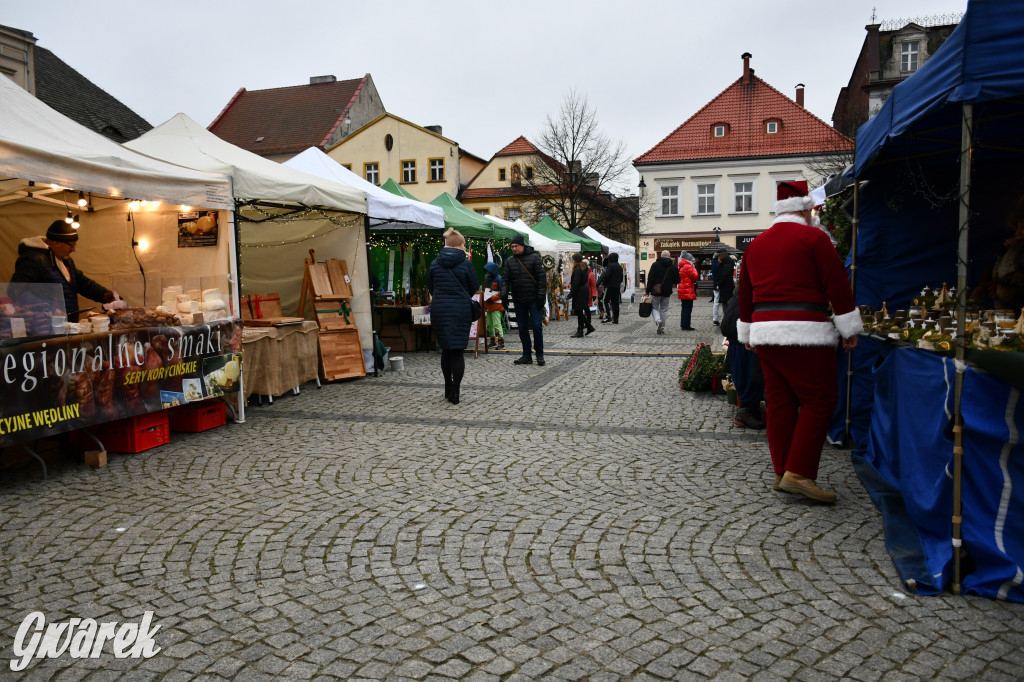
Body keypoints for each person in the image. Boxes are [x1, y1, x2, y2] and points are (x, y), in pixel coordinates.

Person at [738, 180, 863, 504]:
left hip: (766, 333)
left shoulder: (757, 244)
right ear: (806, 209)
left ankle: (782, 471)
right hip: (806, 331)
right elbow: (837, 284)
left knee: (779, 403)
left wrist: (747, 332)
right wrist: (848, 327)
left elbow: (745, 293)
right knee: (819, 401)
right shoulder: (815, 238)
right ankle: (800, 472)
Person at [11, 219, 124, 321]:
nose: (74, 249)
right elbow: (16, 291)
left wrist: (104, 295)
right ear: (56, 243)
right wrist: (48, 307)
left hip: (68, 323)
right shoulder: (33, 260)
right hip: (46, 325)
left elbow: (82, 283)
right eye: (71, 245)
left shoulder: (65, 260)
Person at [428, 228, 479, 404]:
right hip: (460, 311)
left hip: (440, 310)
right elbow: (473, 287)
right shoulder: (466, 264)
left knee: (446, 350)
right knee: (457, 351)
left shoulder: (435, 263)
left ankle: (447, 386)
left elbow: (430, 287)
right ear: (459, 245)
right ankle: (456, 390)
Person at [501, 234, 547, 365]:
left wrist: (540, 297)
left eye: (516, 246)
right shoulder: (510, 261)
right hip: (519, 299)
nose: (514, 249)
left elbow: (541, 280)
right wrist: (503, 295)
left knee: (537, 327)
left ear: (523, 245)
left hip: (534, 299)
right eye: (512, 246)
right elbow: (505, 280)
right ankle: (526, 354)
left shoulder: (535, 258)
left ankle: (539, 354)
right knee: (522, 328)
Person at [720, 293, 765, 429]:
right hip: (742, 333)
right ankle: (746, 412)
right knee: (749, 373)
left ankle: (752, 408)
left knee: (747, 372)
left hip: (739, 329)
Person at [645, 250, 680, 335]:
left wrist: (647, 291)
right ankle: (662, 328)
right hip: (667, 291)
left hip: (656, 291)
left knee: (654, 307)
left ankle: (658, 321)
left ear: (661, 256)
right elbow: (677, 280)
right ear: (669, 256)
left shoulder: (655, 265)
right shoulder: (673, 266)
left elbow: (650, 278)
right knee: (663, 310)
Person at [568, 254, 594, 338]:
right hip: (583, 291)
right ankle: (587, 328)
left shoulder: (578, 270)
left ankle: (581, 330)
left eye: (573, 260)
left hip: (580, 292)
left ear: (576, 261)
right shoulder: (583, 268)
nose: (572, 261)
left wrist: (571, 294)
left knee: (578, 311)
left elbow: (575, 284)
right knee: (579, 311)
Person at [482, 262, 505, 350]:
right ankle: (492, 340)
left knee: (496, 323)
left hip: (496, 305)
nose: (487, 273)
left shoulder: (499, 279)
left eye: (488, 271)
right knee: (489, 324)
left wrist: (492, 298)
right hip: (489, 304)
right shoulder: (487, 278)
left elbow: (502, 293)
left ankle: (500, 341)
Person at [597, 252, 624, 323]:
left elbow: (607, 276)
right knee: (615, 303)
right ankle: (616, 318)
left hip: (609, 286)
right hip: (617, 287)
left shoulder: (610, 266)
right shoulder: (619, 266)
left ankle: (608, 316)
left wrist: (605, 284)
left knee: (605, 301)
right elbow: (621, 278)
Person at [677, 251, 699, 330]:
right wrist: (694, 268)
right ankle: (686, 325)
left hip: (683, 290)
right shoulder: (688, 266)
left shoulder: (682, 265)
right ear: (689, 259)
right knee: (688, 308)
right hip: (688, 290)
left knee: (684, 308)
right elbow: (695, 276)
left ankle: (683, 324)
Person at [586, 259, 598, 332]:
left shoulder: (591, 274)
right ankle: (587, 324)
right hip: (582, 294)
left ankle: (588, 324)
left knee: (587, 309)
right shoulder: (582, 273)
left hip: (588, 294)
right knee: (581, 310)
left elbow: (593, 286)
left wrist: (594, 295)